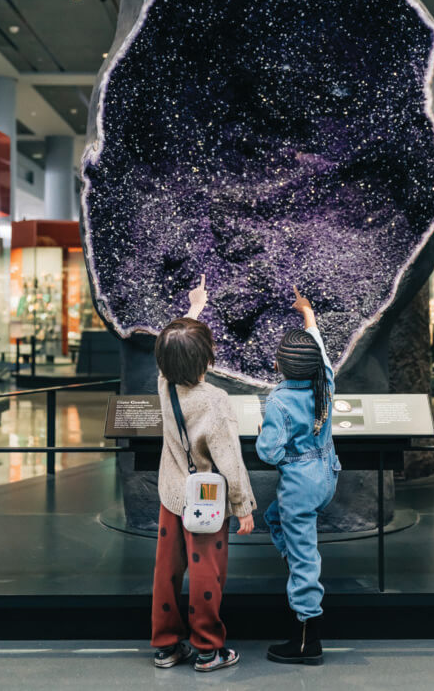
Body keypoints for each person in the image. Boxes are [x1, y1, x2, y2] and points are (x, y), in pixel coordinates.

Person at [151, 275, 256, 672]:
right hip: (207, 502)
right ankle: (208, 649)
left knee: (167, 572)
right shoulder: (215, 401)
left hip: (170, 497)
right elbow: (230, 460)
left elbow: (171, 349)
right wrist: (242, 506)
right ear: (207, 360)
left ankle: (164, 645)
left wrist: (194, 307)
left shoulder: (164, 384)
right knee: (206, 575)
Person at [256, 285, 340, 665]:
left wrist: (269, 437)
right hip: (327, 475)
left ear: (279, 366)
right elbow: (320, 351)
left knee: (305, 556)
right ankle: (295, 563)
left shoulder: (278, 400)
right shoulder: (325, 381)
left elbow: (268, 451)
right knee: (274, 517)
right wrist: (308, 315)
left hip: (300, 485)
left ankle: (308, 637)